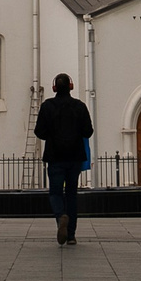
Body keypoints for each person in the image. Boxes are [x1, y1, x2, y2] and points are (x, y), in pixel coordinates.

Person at [33, 72, 94, 245]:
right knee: (72, 194)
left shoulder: (47, 106)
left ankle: (61, 217)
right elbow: (88, 131)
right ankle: (72, 235)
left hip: (55, 156)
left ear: (54, 88)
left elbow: (39, 132)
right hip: (74, 157)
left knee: (55, 192)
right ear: (70, 87)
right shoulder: (80, 106)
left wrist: (53, 134)